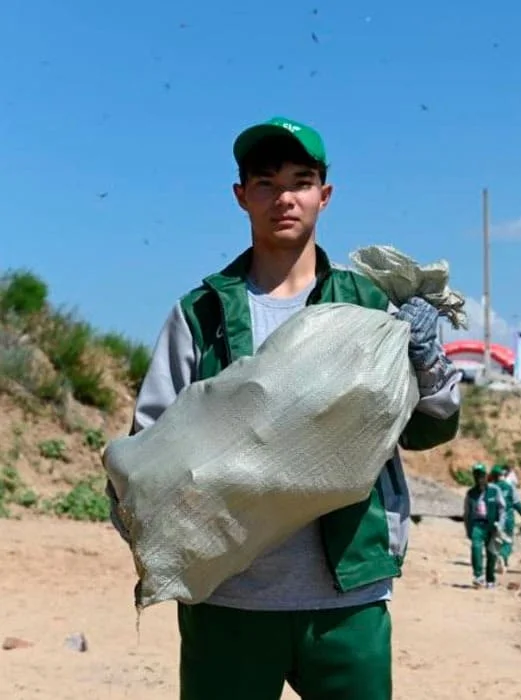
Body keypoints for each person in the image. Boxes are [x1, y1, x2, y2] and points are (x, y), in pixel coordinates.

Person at [105, 115, 462, 700]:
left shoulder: (371, 306)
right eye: (266, 184)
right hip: (228, 596)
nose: (284, 198)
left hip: (347, 597)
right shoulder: (201, 312)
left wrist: (428, 362)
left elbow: (428, 431)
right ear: (241, 196)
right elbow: (153, 442)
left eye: (300, 181)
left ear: (325, 195)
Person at [463, 463, 505, 589]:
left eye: (481, 475)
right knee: (475, 548)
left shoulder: (494, 490)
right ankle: (478, 576)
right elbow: (466, 512)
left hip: (492, 526)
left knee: (491, 553)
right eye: (477, 476)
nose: (479, 479)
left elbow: (502, 508)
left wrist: (500, 525)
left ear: (486, 476)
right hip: (477, 524)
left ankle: (490, 579)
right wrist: (468, 529)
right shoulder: (470, 493)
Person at [489, 464, 521, 573]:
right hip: (508, 518)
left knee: (496, 541)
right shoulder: (509, 487)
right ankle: (503, 557)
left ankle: (503, 563)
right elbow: (517, 503)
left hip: (494, 518)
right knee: (508, 541)